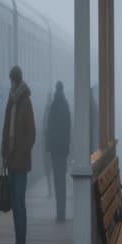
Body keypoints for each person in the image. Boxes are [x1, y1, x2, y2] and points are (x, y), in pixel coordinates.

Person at [1, 65, 35, 244]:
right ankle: (18, 243)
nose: (11, 85)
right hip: (11, 160)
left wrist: (21, 151)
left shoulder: (25, 103)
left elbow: (32, 133)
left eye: (12, 81)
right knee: (15, 203)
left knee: (19, 203)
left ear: (15, 81)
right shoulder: (12, 101)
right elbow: (7, 128)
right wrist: (4, 151)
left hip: (20, 162)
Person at [44, 80, 71, 221]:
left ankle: (59, 211)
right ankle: (62, 211)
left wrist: (48, 147)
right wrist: (67, 147)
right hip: (63, 150)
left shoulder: (54, 105)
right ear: (63, 89)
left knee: (57, 180)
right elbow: (68, 128)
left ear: (56, 89)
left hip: (55, 150)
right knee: (62, 181)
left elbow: (50, 127)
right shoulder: (65, 105)